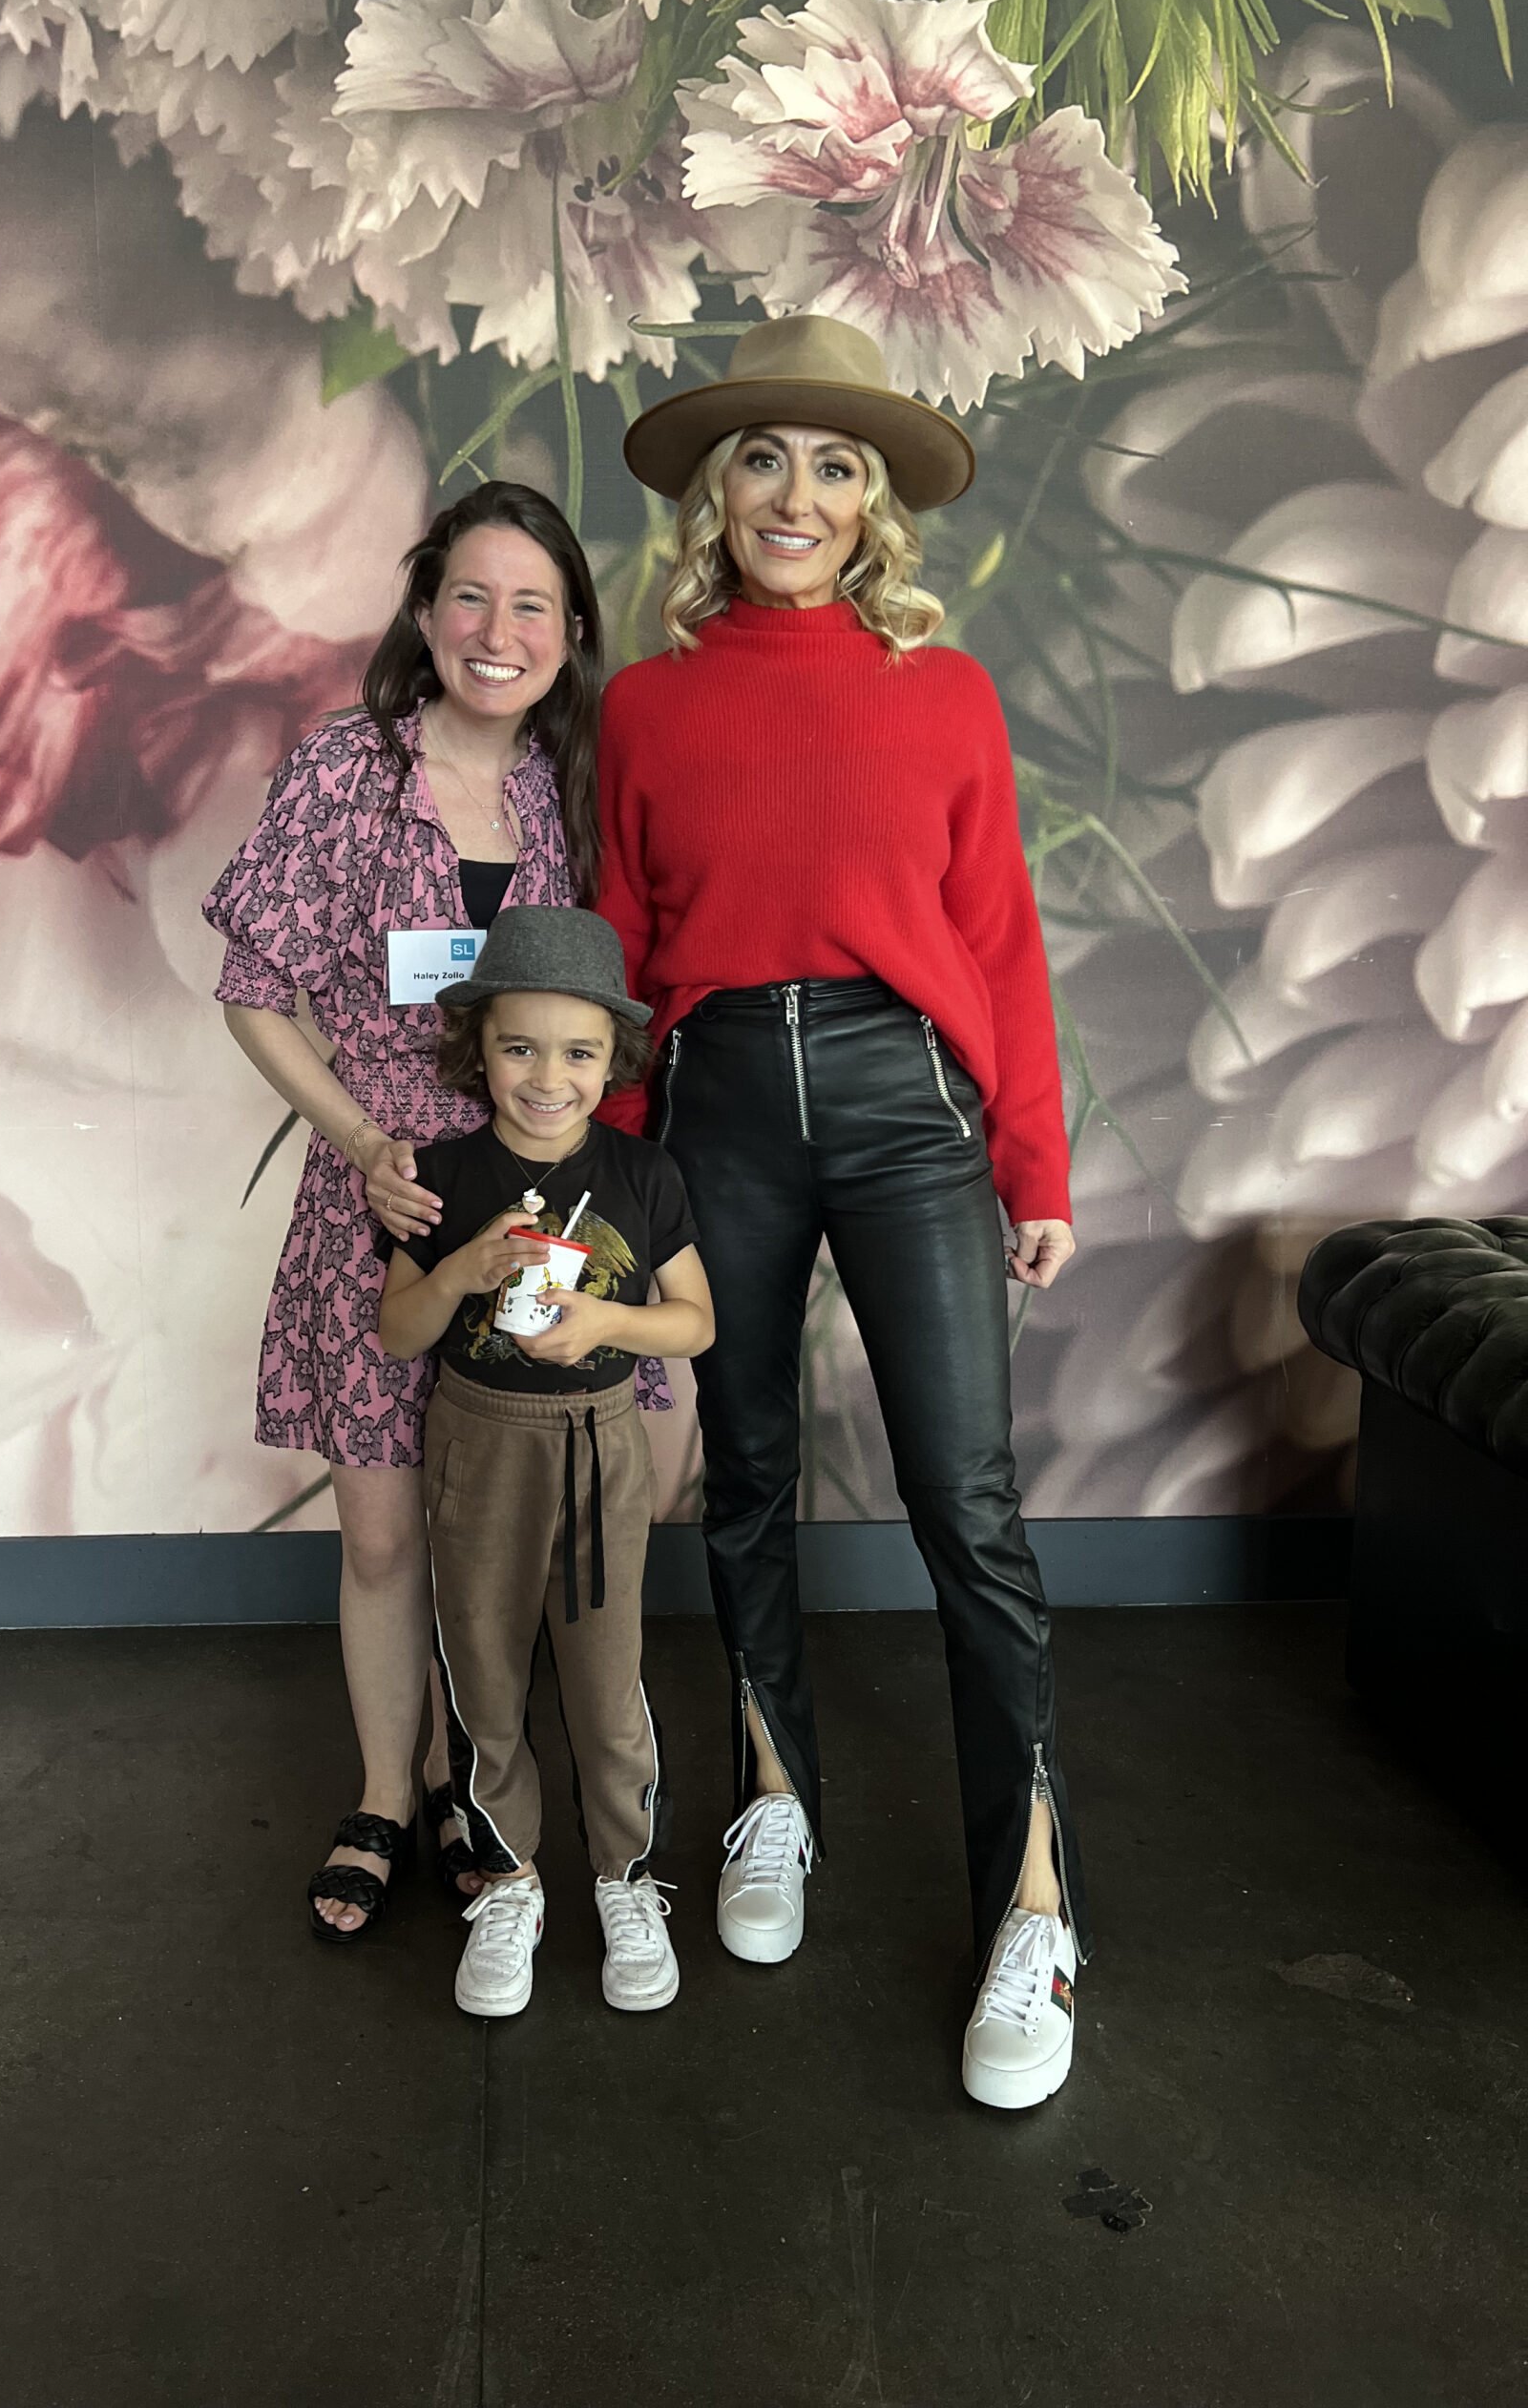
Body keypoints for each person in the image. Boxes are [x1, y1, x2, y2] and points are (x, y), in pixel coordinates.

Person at [597, 316, 1089, 2109]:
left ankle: (1033, 1911)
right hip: (719, 1106)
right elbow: (627, 951)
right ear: (715, 495)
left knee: (965, 1497)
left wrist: (1031, 1162)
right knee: (744, 1476)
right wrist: (626, 1179)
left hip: (907, 1108)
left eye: (830, 464)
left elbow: (1001, 939)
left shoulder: (943, 693)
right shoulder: (645, 708)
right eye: (761, 459)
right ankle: (774, 1804)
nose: (790, 493)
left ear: (869, 502)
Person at [204, 480, 661, 1943]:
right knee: (389, 1534)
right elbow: (253, 990)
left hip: (551, 1217)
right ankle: (385, 1799)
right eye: (471, 595)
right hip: (388, 1210)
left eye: (533, 604)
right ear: (423, 612)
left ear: (571, 633)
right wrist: (357, 1137)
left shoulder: (570, 791)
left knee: (521, 1531)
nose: (498, 628)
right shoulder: (345, 770)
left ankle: (485, 1784)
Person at [377, 907, 714, 2019]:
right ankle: (511, 1878)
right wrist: (467, 1265)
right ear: (478, 1046)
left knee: (605, 1680)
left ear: (612, 1059)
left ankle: (624, 1875)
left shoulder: (644, 1174)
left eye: (577, 1053)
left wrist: (604, 1325)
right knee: (482, 1671)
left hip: (601, 1447)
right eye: (520, 1047)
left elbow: (695, 1322)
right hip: (477, 1445)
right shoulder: (436, 1176)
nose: (548, 1077)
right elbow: (397, 1333)